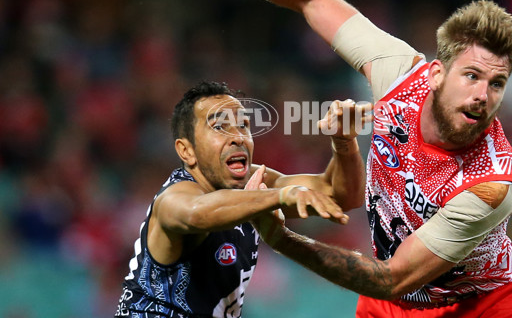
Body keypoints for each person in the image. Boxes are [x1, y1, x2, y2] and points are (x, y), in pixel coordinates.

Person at [143, 0, 512, 318]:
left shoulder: (491, 185)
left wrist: (280, 238)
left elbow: (392, 278)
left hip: (474, 307)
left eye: (496, 84)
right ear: (435, 74)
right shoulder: (398, 73)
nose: (483, 94)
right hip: (391, 305)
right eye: (471, 76)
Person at [115, 80, 370, 317]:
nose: (237, 137)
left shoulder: (254, 181)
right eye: (219, 127)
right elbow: (196, 212)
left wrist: (344, 142)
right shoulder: (174, 198)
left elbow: (342, 196)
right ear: (187, 150)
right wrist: (279, 196)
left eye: (243, 125)